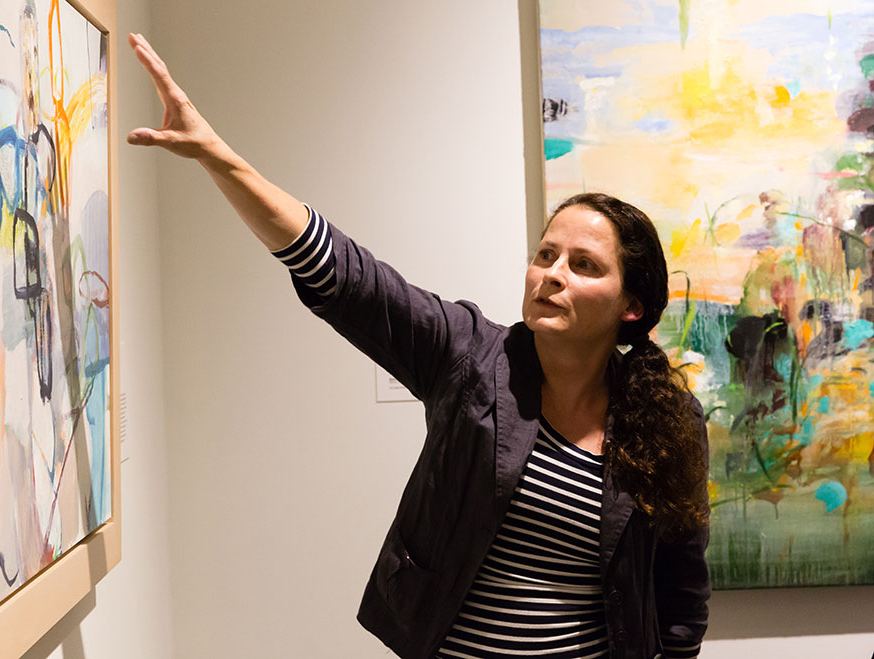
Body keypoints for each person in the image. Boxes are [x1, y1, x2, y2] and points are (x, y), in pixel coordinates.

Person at [126, 32, 711, 659]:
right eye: (545, 254)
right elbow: (350, 279)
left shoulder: (668, 422)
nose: (553, 274)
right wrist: (220, 157)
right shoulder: (470, 358)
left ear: (631, 307)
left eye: (584, 265)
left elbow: (681, 597)